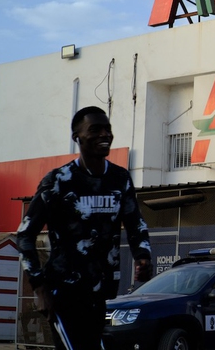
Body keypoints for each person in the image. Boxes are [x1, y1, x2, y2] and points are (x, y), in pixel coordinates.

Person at [16, 106, 152, 350]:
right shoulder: (58, 181)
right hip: (63, 293)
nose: (104, 135)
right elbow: (25, 235)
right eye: (95, 130)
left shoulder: (119, 179)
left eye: (107, 129)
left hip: (100, 293)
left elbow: (135, 223)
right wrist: (40, 289)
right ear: (77, 137)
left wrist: (142, 255)